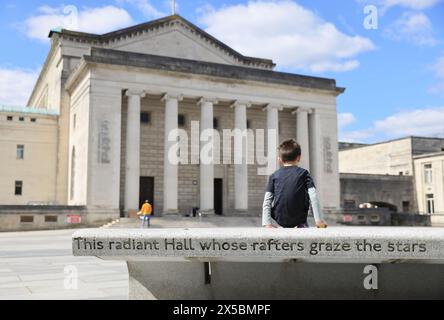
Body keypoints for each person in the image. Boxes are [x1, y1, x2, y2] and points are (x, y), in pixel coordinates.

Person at [262, 139, 327, 229]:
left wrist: (267, 223)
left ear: (279, 160)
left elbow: (267, 201)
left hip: (279, 218)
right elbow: (313, 196)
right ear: (298, 158)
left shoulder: (273, 176)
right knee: (307, 193)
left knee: (273, 199)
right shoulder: (304, 173)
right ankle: (302, 224)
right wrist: (318, 220)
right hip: (299, 218)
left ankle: (281, 224)